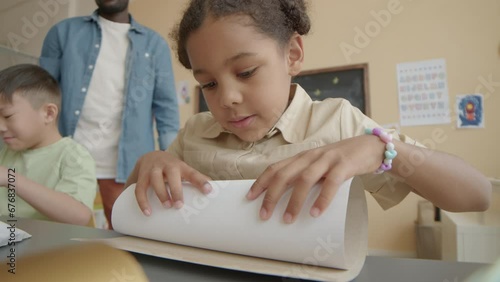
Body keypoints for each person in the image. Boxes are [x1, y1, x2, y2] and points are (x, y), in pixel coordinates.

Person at [125, 0, 491, 223]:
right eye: (208, 84)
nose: (228, 98)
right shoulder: (194, 134)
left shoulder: (340, 122)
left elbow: (477, 196)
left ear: (292, 55)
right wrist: (149, 162)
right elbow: (132, 204)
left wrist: (384, 149)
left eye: (246, 72)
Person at [39, 0, 180, 229]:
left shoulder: (155, 45)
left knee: (124, 230)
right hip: (66, 155)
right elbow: (41, 96)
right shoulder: (62, 33)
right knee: (63, 231)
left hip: (124, 162)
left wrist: (172, 158)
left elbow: (166, 109)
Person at [0, 64, 97, 226]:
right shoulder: (7, 152)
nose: (1, 127)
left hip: (53, 249)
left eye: (7, 116)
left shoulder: (73, 155)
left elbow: (79, 216)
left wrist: (12, 179)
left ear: (48, 113)